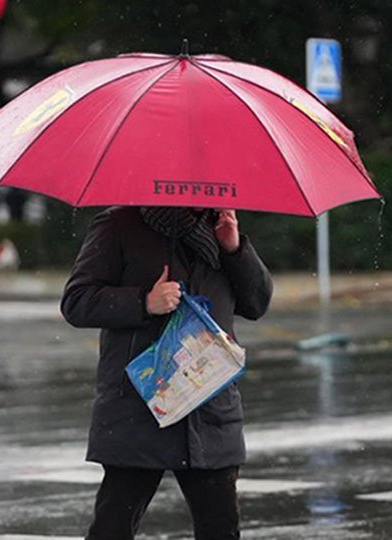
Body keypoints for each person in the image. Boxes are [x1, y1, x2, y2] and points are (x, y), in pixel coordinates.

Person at [60, 205, 273, 540]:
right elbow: (76, 301)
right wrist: (144, 302)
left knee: (221, 530)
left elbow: (257, 303)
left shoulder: (218, 228)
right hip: (141, 406)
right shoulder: (120, 224)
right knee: (113, 528)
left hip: (209, 404)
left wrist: (234, 249)